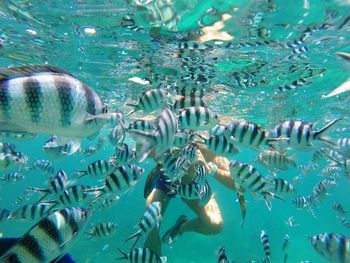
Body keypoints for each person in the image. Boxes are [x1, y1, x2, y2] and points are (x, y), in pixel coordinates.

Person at [142, 143, 241, 255]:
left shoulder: (201, 143)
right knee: (150, 230)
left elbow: (238, 183)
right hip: (164, 182)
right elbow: (136, 150)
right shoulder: (161, 135)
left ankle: (180, 228)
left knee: (215, 225)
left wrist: (210, 169)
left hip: (192, 186)